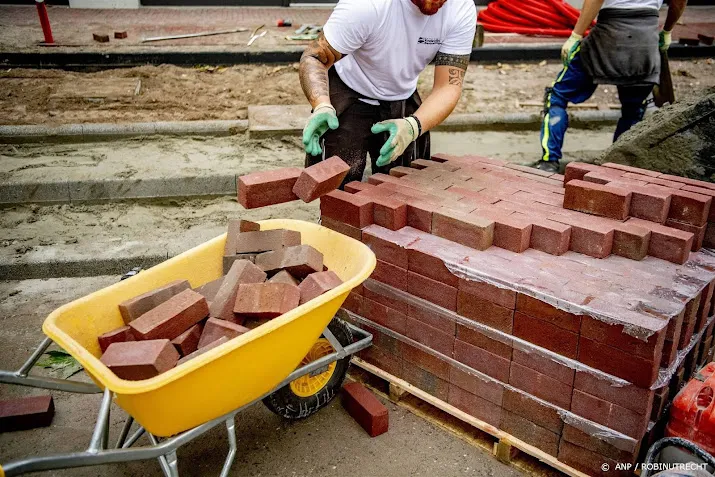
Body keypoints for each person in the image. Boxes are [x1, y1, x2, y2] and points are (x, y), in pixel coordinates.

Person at [299, 0, 477, 184]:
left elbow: (448, 85)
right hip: (351, 85)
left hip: (402, 93)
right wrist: (321, 105)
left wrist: (413, 126)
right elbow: (314, 57)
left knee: (404, 187)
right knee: (336, 185)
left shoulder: (460, 7)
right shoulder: (367, 5)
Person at [536, 0, 687, 173]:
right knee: (633, 109)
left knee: (557, 97)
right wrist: (667, 31)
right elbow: (679, 1)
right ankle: (616, 166)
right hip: (646, 40)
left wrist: (575, 36)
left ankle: (549, 162)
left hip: (608, 34)